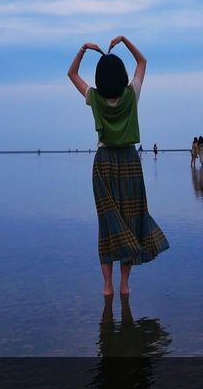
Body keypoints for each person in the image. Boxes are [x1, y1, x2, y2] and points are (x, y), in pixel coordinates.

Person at [68, 35, 169, 297]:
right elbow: (143, 61)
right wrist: (124, 41)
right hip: (129, 161)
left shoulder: (94, 98)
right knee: (130, 220)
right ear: (122, 75)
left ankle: (107, 286)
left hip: (103, 163)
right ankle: (124, 285)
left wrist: (84, 49)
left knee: (108, 223)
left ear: (100, 78)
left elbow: (72, 73)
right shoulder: (131, 94)